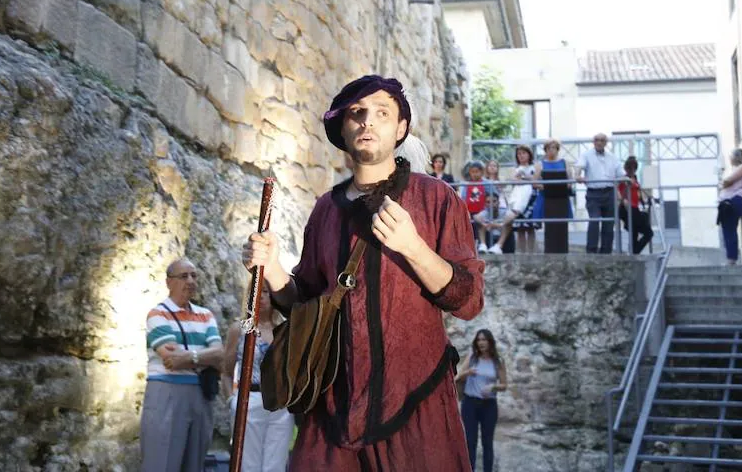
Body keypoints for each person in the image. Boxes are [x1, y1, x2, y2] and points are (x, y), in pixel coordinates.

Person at [242, 75, 484, 471]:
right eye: (357, 113)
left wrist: (413, 246)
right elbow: (305, 302)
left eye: (382, 113)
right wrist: (272, 273)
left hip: (416, 401)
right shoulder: (325, 210)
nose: (368, 121)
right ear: (343, 126)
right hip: (333, 404)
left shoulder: (437, 199)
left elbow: (469, 301)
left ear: (401, 128)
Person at [140, 259, 226, 472]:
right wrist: (205, 356)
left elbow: (220, 353)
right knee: (161, 461)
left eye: (194, 275)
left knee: (195, 463)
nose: (190, 281)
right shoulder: (157, 314)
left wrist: (189, 358)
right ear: (169, 282)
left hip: (200, 395)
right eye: (183, 276)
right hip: (167, 393)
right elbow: (170, 358)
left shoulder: (206, 315)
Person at [222, 284, 293, 472]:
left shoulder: (285, 329)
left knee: (276, 463)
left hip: (280, 402)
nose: (261, 296)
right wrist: (232, 400)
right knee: (248, 462)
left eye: (266, 292)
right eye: (257, 291)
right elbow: (226, 372)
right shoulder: (240, 329)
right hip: (249, 398)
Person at [456, 329, 507, 472]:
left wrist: (493, 387)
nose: (481, 342)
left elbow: (504, 385)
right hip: (470, 404)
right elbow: (458, 377)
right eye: (479, 340)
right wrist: (468, 372)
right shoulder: (472, 357)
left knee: (487, 443)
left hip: (489, 406)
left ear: (490, 342)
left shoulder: (498, 361)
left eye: (484, 339)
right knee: (470, 442)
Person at [575, 133, 624, 254]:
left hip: (609, 192)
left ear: (606, 143)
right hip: (593, 193)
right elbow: (579, 166)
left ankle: (606, 252)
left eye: (602, 140)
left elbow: (621, 174)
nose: (599, 142)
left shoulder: (612, 157)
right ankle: (591, 251)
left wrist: (619, 186)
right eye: (596, 140)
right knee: (594, 220)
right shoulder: (586, 155)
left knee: (609, 223)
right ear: (593, 142)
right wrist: (578, 176)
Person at [532, 138, 573, 254]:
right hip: (547, 199)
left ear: (558, 149)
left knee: (562, 227)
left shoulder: (564, 162)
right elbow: (534, 183)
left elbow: (570, 181)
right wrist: (546, 187)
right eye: (549, 148)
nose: (552, 150)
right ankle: (549, 252)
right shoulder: (540, 164)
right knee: (549, 228)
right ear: (545, 150)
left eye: (554, 148)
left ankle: (563, 251)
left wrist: (565, 186)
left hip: (561, 199)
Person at [716, 149, 742, 265]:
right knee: (727, 229)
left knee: (730, 229)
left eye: (731, 156)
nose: (729, 159)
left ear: (736, 156)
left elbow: (727, 181)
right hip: (727, 201)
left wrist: (723, 183)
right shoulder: (735, 169)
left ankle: (732, 258)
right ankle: (730, 257)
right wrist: (723, 183)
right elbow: (724, 183)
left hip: (734, 199)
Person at [617, 156, 654, 254]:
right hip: (626, 208)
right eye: (629, 168)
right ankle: (634, 251)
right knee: (641, 231)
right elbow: (618, 192)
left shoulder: (635, 179)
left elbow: (638, 193)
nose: (631, 170)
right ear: (626, 168)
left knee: (642, 232)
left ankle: (634, 251)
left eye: (633, 168)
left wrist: (644, 200)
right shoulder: (623, 179)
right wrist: (623, 199)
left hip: (635, 208)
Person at [460, 160, 488, 253]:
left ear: (481, 172)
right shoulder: (466, 185)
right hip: (469, 211)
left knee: (478, 223)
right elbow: (463, 198)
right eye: (473, 172)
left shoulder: (486, 183)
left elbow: (492, 196)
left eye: (477, 172)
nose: (475, 174)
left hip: (483, 211)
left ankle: (481, 244)